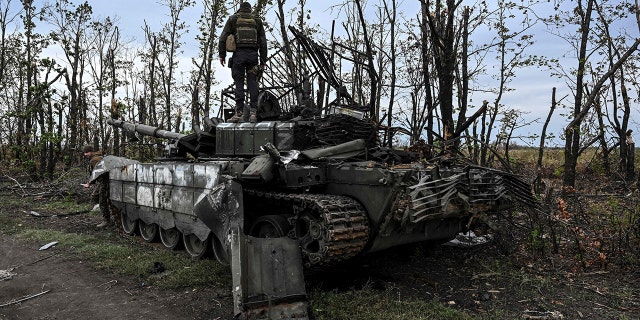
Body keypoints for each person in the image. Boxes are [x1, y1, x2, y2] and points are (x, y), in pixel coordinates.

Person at [218, 1, 267, 123]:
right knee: (252, 82)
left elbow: (222, 38)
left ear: (240, 10)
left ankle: (239, 113)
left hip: (238, 56)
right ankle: (253, 113)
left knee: (238, 82)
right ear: (250, 10)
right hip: (253, 56)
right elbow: (263, 42)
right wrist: (263, 60)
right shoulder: (257, 21)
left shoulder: (233, 19)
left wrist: (222, 55)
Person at [81, 145, 111, 228]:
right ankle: (105, 210)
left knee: (102, 201)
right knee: (95, 196)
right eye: (84, 153)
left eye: (87, 152)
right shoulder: (97, 157)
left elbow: (96, 173)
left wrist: (89, 183)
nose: (85, 154)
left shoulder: (95, 159)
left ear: (91, 151)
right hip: (102, 181)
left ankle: (106, 220)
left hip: (105, 181)